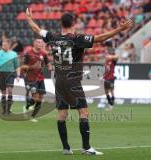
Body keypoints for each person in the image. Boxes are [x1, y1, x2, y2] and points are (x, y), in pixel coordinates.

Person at [25, 8, 132, 155]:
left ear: (61, 23)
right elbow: (100, 38)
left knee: (62, 114)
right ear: (73, 23)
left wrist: (29, 18)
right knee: (83, 112)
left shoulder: (53, 36)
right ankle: (86, 147)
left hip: (59, 81)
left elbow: (37, 29)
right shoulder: (76, 38)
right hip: (73, 81)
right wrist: (120, 29)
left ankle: (66, 148)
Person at [0, 39, 27, 115]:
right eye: (2, 45)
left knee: (10, 90)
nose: (3, 46)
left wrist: (18, 75)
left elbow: (17, 66)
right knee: (3, 92)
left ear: (9, 45)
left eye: (4, 45)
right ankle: (4, 110)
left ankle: (8, 109)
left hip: (10, 74)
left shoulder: (13, 54)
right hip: (1, 73)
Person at [23, 38, 51, 122]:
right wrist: (32, 67)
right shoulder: (29, 53)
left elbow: (48, 65)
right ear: (34, 43)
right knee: (35, 98)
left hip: (41, 78)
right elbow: (23, 66)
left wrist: (50, 67)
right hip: (31, 78)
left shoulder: (44, 54)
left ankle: (32, 116)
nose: (40, 43)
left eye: (41, 42)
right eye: (38, 42)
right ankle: (27, 106)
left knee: (40, 99)